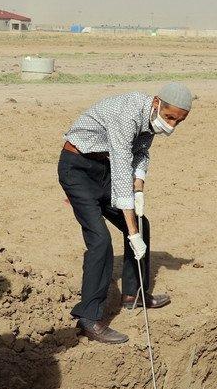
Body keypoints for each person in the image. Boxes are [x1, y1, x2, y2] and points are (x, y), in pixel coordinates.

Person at [59, 83, 191, 344]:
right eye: (169, 117)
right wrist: (132, 234)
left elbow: (140, 153)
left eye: (179, 120)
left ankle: (135, 294)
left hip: (102, 168)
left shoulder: (149, 120)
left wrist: (139, 190)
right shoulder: (129, 112)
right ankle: (88, 319)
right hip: (78, 168)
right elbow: (121, 167)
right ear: (156, 103)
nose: (172, 125)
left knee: (142, 224)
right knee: (100, 240)